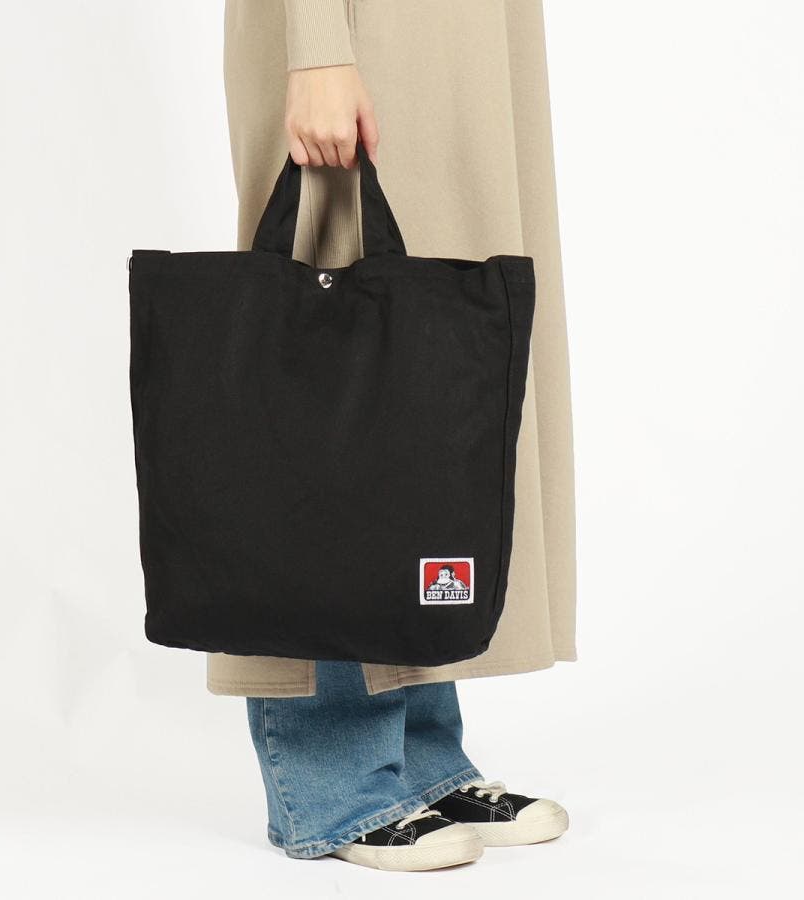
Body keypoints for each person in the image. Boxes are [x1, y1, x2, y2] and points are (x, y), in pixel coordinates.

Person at [213, 0, 577, 871]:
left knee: (424, 382)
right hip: (357, 35)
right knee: (331, 389)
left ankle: (420, 758)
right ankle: (335, 776)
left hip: (465, 47)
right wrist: (316, 49)